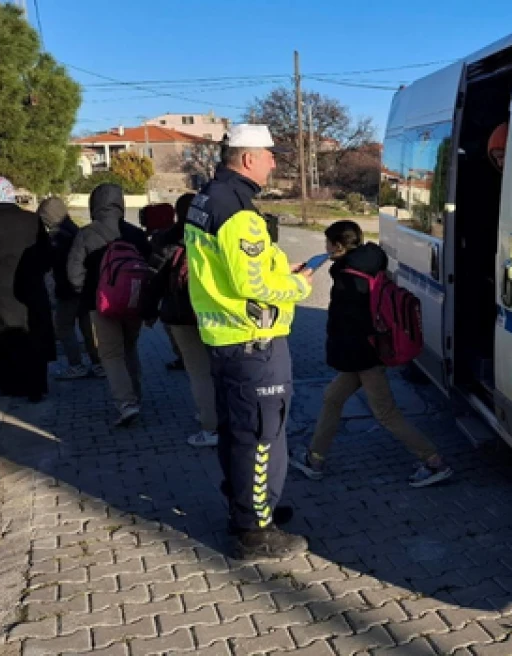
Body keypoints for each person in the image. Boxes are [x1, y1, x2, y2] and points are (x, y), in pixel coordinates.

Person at [185, 124, 314, 560]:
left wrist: (280, 269)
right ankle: (255, 530)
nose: (274, 162)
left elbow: (229, 270)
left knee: (237, 432)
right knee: (262, 436)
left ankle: (252, 507)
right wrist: (298, 287)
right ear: (247, 159)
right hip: (252, 342)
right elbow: (251, 281)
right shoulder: (237, 210)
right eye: (269, 155)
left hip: (226, 339)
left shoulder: (207, 199)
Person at [291, 221, 453, 487]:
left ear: (339, 246)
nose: (326, 248)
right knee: (332, 398)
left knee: (386, 413)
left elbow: (348, 327)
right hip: (368, 352)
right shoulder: (371, 262)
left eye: (328, 243)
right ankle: (315, 458)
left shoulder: (349, 280)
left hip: (366, 357)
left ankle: (434, 461)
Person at [67, 183, 151, 426]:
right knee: (130, 348)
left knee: (111, 354)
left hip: (101, 304)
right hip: (134, 302)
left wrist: (87, 293)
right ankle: (136, 394)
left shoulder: (86, 233)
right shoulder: (134, 233)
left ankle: (126, 404)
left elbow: (74, 273)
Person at [0, 177, 56, 402]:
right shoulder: (32, 219)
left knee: (3, 337)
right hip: (30, 286)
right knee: (32, 332)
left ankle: (11, 385)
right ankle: (37, 387)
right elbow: (46, 254)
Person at [141, 193, 219, 447]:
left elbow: (153, 279)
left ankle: (210, 426)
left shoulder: (166, 238)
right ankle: (224, 415)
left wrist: (149, 311)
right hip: (216, 313)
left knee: (198, 372)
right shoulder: (215, 234)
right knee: (219, 368)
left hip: (180, 314)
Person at [39, 197, 103, 380]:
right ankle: (98, 364)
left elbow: (52, 264)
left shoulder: (56, 237)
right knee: (87, 329)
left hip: (67, 290)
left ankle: (76, 365)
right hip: (85, 288)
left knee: (64, 328)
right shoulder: (76, 231)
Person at [141, 203, 185, 371]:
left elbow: (154, 277)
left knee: (176, 333)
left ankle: (183, 358)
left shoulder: (162, 240)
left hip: (173, 300)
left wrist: (149, 312)